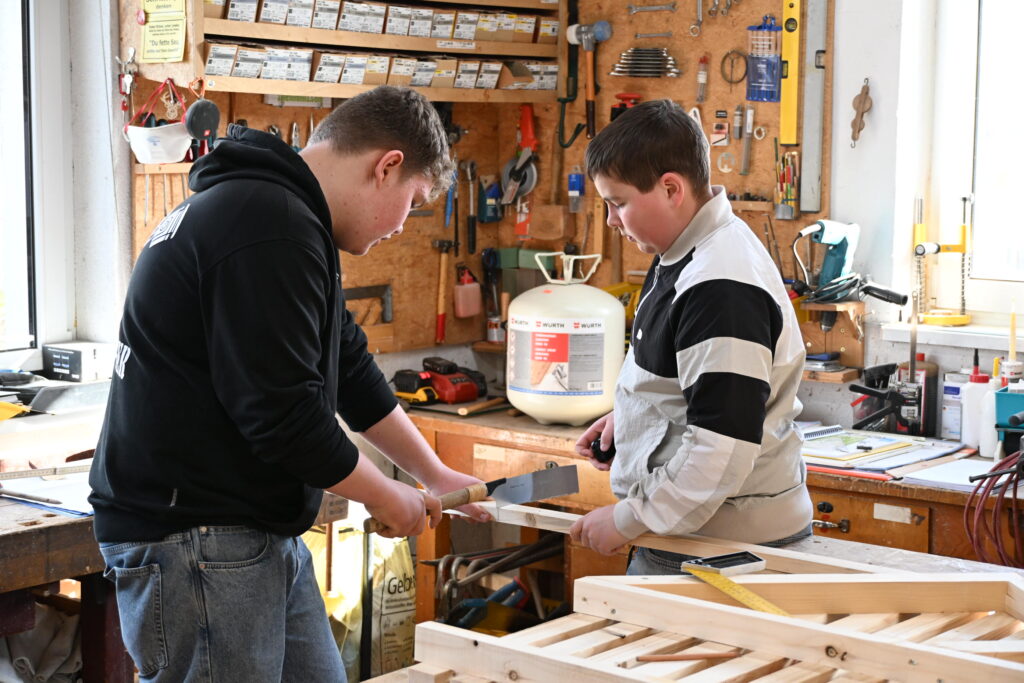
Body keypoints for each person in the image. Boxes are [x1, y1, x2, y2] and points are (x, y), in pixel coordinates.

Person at [89, 86, 490, 681]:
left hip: (246, 530)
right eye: (415, 201)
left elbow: (348, 367)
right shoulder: (268, 224)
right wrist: (386, 494)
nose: (405, 225)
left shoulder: (287, 218)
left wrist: (433, 474)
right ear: (387, 166)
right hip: (196, 536)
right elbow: (284, 418)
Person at [568, 100, 813, 574]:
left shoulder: (719, 284)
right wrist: (633, 417)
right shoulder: (682, 250)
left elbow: (721, 448)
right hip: (693, 529)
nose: (612, 221)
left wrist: (627, 519)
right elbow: (684, 378)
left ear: (671, 189)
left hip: (722, 544)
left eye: (618, 203)